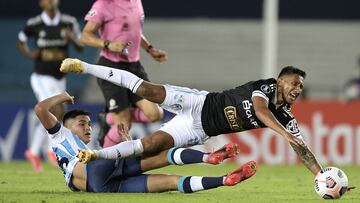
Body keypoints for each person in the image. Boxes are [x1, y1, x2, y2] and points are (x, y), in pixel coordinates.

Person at [59, 58, 323, 176]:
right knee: (148, 90)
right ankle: (85, 67)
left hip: (198, 129)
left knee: (149, 147)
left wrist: (322, 177)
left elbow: (303, 151)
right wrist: (285, 134)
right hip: (198, 103)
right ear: (280, 81)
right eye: (293, 84)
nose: (297, 90)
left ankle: (95, 155)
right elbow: (259, 111)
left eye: (300, 87)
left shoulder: (286, 117)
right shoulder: (265, 86)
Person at [34, 91, 257, 193]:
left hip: (102, 187)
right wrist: (62, 96)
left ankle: (224, 180)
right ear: (66, 125)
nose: (88, 127)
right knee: (160, 155)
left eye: (89, 124)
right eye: (82, 123)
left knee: (171, 183)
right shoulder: (60, 134)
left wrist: (128, 146)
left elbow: (91, 170)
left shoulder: (83, 149)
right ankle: (207, 157)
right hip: (94, 173)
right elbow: (41, 109)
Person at [80, 0, 167, 147]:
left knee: (155, 114)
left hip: (134, 66)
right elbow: (85, 36)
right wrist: (108, 44)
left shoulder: (136, 2)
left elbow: (135, 31)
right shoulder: (104, 4)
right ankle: (106, 159)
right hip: (111, 67)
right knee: (124, 124)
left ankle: (108, 118)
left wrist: (150, 49)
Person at [16, 0, 83, 172]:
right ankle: (44, 151)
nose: (51, 1)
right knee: (55, 110)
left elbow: (80, 47)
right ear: (41, 3)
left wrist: (72, 39)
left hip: (60, 77)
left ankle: (37, 151)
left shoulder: (69, 22)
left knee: (56, 112)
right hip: (41, 76)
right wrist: (29, 53)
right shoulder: (34, 24)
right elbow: (21, 40)